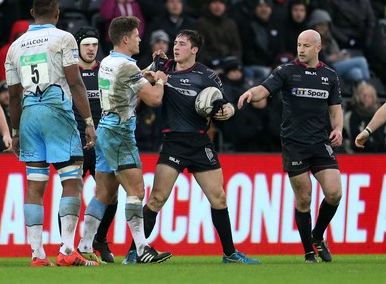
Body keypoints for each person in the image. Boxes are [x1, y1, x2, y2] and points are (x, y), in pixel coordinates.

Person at [122, 29, 260, 265]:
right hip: (173, 143)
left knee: (219, 198)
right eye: (175, 43)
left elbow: (222, 103)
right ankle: (134, 252)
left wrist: (228, 110)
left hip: (199, 143)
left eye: (182, 44)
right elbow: (142, 81)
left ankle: (230, 254)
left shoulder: (207, 76)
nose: (176, 47)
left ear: (194, 49)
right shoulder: (163, 68)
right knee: (156, 199)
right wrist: (152, 69)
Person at [5, 0, 98, 267]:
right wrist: (89, 121)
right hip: (56, 110)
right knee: (72, 180)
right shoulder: (63, 38)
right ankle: (68, 250)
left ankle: (37, 255)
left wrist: (15, 131)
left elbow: (12, 94)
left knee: (35, 185)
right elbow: (74, 81)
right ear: (57, 13)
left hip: (29, 114)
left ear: (32, 12)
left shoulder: (15, 46)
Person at [238, 29, 343, 263]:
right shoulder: (286, 71)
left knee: (335, 193)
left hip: (320, 142)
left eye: (306, 45)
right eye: (299, 45)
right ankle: (308, 252)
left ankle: (317, 235)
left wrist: (338, 129)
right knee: (304, 198)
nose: (301, 49)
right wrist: (250, 93)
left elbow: (335, 110)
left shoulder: (330, 75)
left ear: (318, 47)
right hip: (294, 143)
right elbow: (263, 89)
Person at [76, 16, 172, 264]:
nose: (140, 39)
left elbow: (131, 79)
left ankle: (84, 244)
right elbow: (153, 99)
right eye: (137, 35)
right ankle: (142, 248)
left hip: (105, 129)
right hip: (120, 132)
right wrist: (160, 78)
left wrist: (152, 68)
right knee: (136, 191)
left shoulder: (108, 61)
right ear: (126, 39)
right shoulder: (126, 67)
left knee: (104, 193)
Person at [72, 26, 117, 263]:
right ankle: (68, 246)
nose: (91, 49)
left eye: (95, 44)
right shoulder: (69, 72)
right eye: (86, 44)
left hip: (104, 143)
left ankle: (100, 238)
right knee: (71, 194)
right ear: (78, 46)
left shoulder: (107, 70)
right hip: (77, 143)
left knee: (111, 194)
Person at [344, 82, 385, 153]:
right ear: (358, 97)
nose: (367, 99)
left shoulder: (378, 112)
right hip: (359, 153)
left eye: (370, 96)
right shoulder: (351, 115)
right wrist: (367, 131)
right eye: (364, 96)